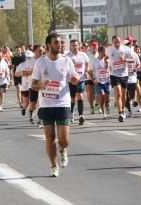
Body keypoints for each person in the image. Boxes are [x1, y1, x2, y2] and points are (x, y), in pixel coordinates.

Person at [32, 32, 80, 177]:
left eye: (60, 42)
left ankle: (63, 149)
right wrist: (41, 84)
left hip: (63, 103)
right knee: (50, 137)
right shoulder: (40, 62)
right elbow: (33, 85)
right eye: (55, 43)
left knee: (64, 140)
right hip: (46, 105)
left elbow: (74, 76)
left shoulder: (66, 61)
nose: (59, 45)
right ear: (48, 45)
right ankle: (53, 165)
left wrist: (75, 79)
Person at [107, 36, 132, 122]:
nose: (116, 43)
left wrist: (125, 60)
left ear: (120, 41)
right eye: (114, 41)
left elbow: (132, 60)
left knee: (124, 95)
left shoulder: (126, 49)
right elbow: (105, 57)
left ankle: (123, 110)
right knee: (118, 94)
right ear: (112, 42)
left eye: (118, 41)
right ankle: (120, 112)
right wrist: (107, 64)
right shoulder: (109, 49)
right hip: (114, 74)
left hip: (124, 74)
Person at [66, 39, 89, 125]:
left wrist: (86, 71)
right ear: (70, 46)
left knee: (80, 96)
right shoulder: (67, 56)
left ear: (79, 46)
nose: (74, 47)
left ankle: (81, 115)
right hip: (71, 80)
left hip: (81, 79)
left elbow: (87, 63)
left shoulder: (83, 55)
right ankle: (71, 114)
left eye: (76, 45)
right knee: (72, 98)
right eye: (72, 45)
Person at [92, 46, 110, 119]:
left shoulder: (107, 60)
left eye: (105, 52)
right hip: (99, 82)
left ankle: (107, 105)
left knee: (107, 98)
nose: (105, 53)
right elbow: (93, 71)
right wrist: (94, 79)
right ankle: (104, 113)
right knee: (102, 95)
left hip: (106, 81)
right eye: (103, 52)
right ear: (99, 52)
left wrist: (106, 62)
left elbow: (107, 68)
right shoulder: (95, 61)